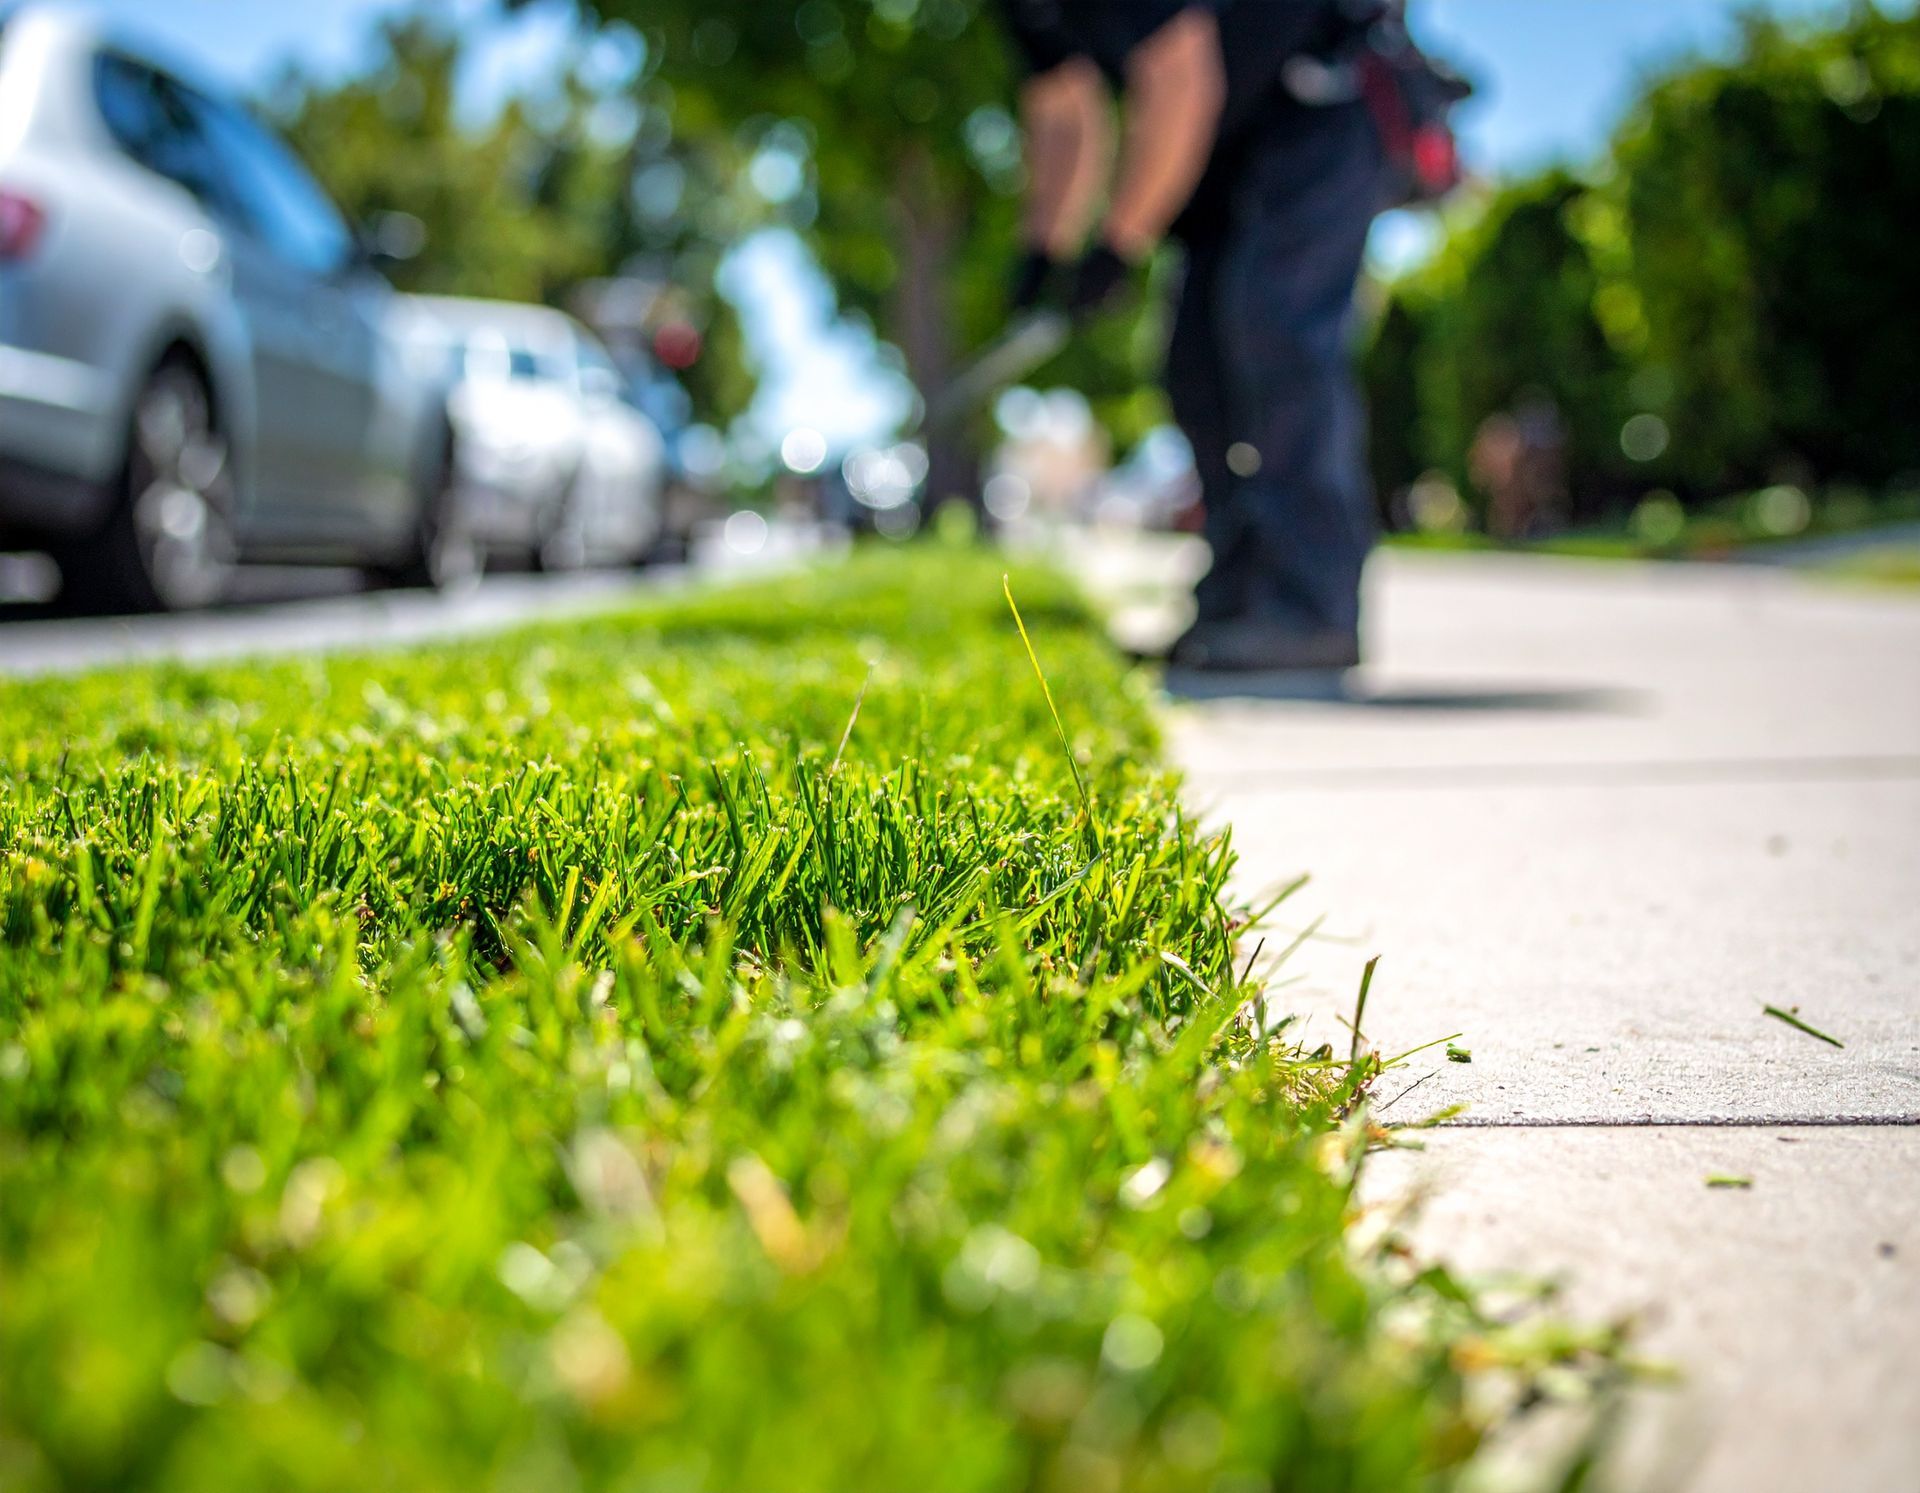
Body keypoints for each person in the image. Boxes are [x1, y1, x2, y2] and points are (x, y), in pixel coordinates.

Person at [1003, 0, 1388, 671]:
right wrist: (1047, 242)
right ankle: (1237, 601)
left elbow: (1181, 79)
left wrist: (1120, 241)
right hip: (1226, 146)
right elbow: (1064, 106)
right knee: (1194, 363)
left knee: (1276, 337)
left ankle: (1310, 607)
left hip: (1320, 103)